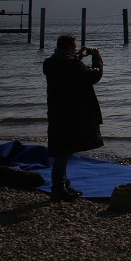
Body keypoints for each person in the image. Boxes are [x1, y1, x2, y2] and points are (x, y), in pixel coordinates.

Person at [43, 34, 104, 201]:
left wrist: (78, 57)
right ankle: (58, 188)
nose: (76, 48)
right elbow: (94, 76)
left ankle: (62, 183)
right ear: (69, 47)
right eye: (74, 46)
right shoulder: (71, 65)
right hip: (72, 112)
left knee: (63, 149)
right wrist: (97, 58)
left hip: (57, 111)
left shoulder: (50, 63)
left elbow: (71, 70)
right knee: (64, 151)